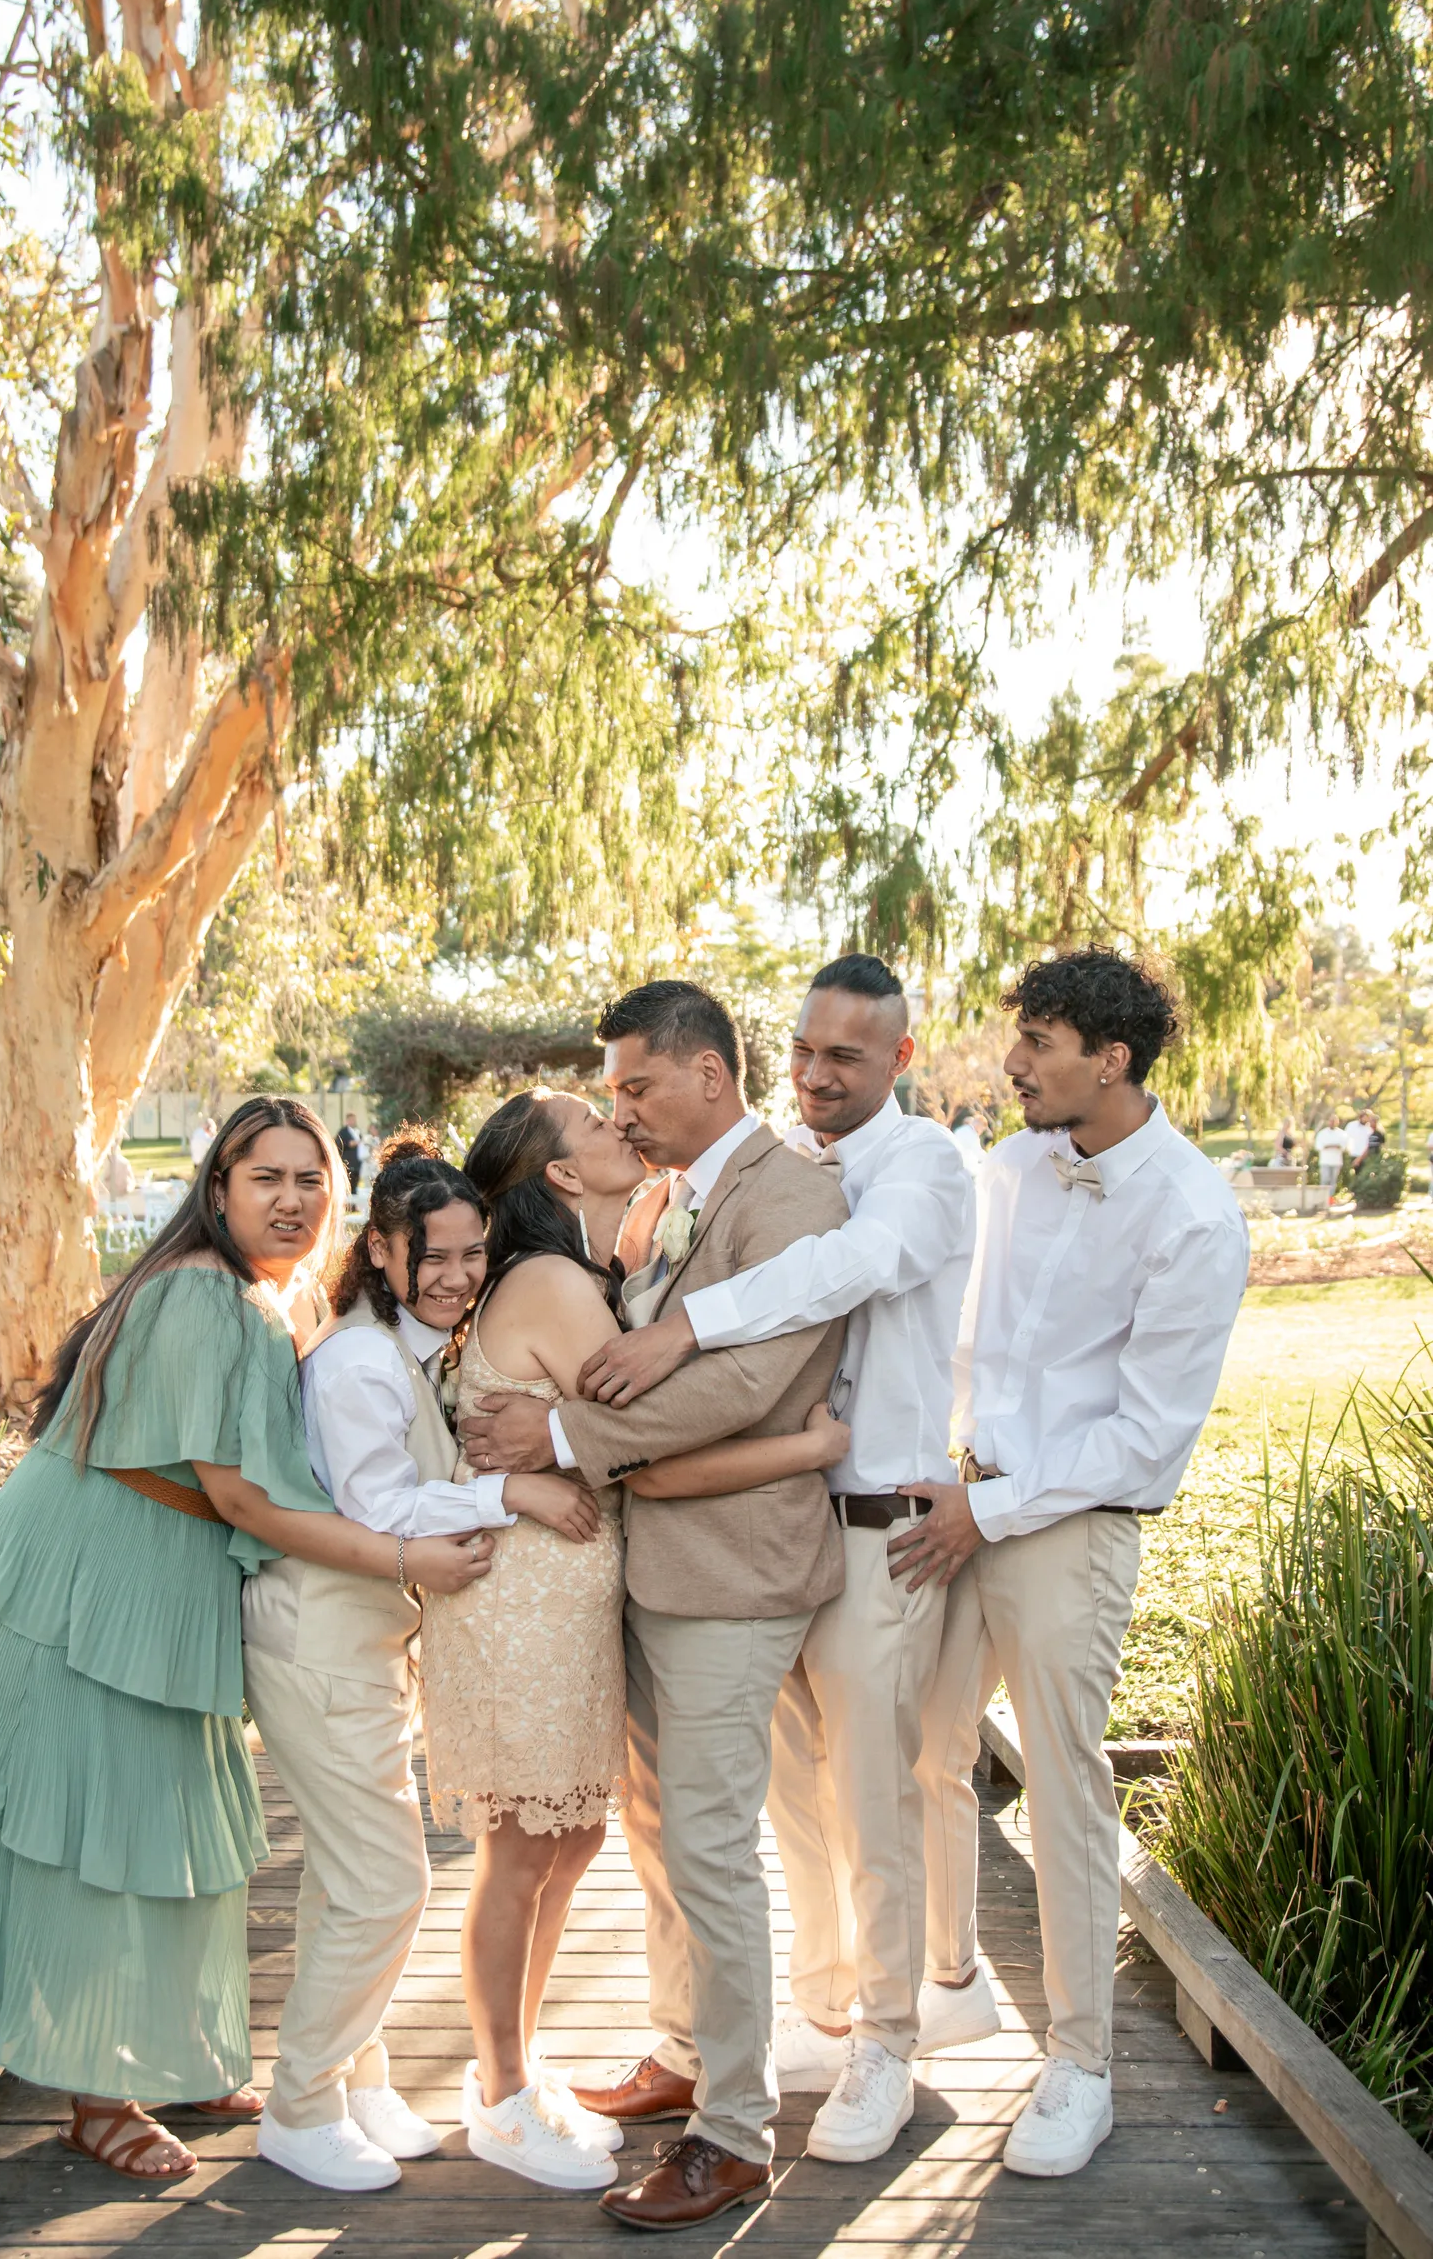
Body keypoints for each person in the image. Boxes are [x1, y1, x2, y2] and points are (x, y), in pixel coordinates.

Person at [0, 1098, 490, 2184]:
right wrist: (404, 1562)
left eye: (309, 1180)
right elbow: (239, 1499)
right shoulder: (202, 1298)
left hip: (152, 1580)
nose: (290, 1200)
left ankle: (169, 2049)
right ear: (218, 1190)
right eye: (264, 1178)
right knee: (108, 1834)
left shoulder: (260, 1299)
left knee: (178, 1828)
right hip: (85, 1586)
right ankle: (98, 2099)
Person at [571, 956, 977, 2159]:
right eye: (802, 1050)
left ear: (899, 1060)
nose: (812, 1075)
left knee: (873, 1801)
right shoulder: (780, 1171)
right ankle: (813, 2010)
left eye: (844, 1057)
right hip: (774, 1528)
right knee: (793, 1808)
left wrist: (692, 1322)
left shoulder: (921, 1169)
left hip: (873, 1529)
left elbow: (843, 1272)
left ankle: (890, 2043)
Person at [461, 981, 848, 2231]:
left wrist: (565, 1432)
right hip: (643, 1569)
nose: (622, 1108)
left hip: (733, 1573)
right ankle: (684, 2050)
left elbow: (746, 1385)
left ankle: (734, 2132)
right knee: (655, 1834)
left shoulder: (790, 1197)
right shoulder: (671, 1199)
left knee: (711, 1849)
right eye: (610, 1093)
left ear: (709, 1076)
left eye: (634, 1084)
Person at [893, 950, 1248, 2180]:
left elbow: (1144, 1437)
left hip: (1070, 1523)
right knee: (919, 1744)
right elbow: (961, 1339)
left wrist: (988, 1514)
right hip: (960, 1500)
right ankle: (947, 1978)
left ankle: (1081, 2061)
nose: (1012, 1062)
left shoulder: (1195, 1213)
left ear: (1111, 1057)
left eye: (1037, 1040)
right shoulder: (1005, 1168)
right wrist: (939, 1474)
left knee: (1059, 1780)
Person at [243, 1138, 589, 2196]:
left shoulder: (413, 1352)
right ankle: (298, 2104)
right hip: (314, 1644)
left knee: (352, 1879)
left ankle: (356, 2076)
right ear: (383, 1252)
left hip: (361, 1648)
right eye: (430, 1256)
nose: (455, 1275)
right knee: (388, 1880)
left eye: (472, 1255)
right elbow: (377, 1507)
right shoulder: (355, 1362)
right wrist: (515, 1494)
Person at [1315, 1117, 1347, 1199]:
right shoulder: (1322, 1133)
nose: (1332, 1123)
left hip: (1336, 1161)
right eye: (1331, 1121)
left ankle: (1330, 1198)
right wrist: (1333, 1146)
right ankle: (1322, 1198)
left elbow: (1343, 1146)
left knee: (1333, 1181)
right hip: (1325, 1161)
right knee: (1324, 1179)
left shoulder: (1341, 1133)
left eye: (1334, 1121)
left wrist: (1329, 1146)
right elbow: (1319, 1146)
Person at [336, 1116, 365, 1192]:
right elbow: (339, 1143)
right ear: (347, 1120)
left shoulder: (357, 1131)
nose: (353, 1121)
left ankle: (353, 1203)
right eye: (351, 1120)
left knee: (355, 1185)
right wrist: (350, 1143)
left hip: (357, 1163)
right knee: (347, 1184)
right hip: (348, 1162)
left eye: (354, 1120)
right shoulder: (343, 1132)